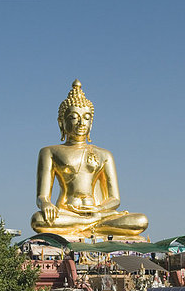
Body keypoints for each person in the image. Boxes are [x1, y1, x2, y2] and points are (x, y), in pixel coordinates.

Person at [31, 79, 148, 237]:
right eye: (74, 117)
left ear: (91, 123)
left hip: (98, 212)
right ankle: (90, 226)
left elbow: (114, 199)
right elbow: (42, 196)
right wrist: (45, 204)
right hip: (67, 212)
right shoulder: (50, 152)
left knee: (140, 221)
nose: (81, 123)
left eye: (86, 118)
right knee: (38, 220)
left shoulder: (104, 155)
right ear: (61, 123)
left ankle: (85, 226)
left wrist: (98, 211)